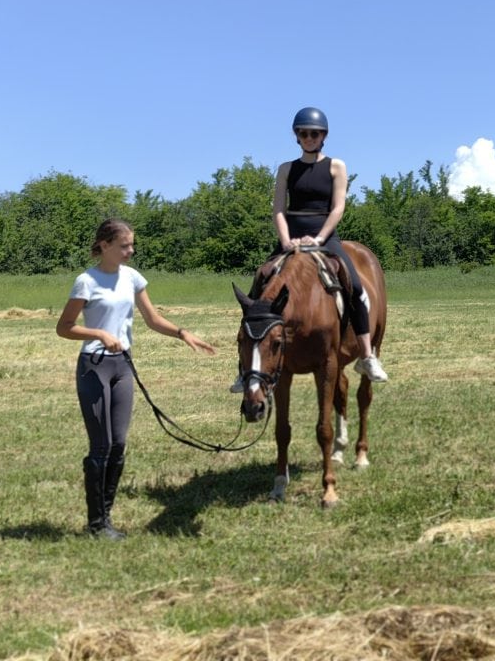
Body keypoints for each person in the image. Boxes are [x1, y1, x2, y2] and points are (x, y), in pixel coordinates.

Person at [56, 218, 215, 539]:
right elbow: (64, 327)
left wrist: (183, 334)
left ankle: (106, 520)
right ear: (105, 245)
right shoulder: (86, 281)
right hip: (94, 366)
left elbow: (153, 319)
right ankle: (96, 524)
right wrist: (99, 333)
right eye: (124, 245)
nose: (131, 250)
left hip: (122, 367)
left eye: (132, 244)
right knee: (100, 446)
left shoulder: (132, 278)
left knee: (119, 445)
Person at [230, 106, 388, 392]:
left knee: (354, 283)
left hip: (325, 237)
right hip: (291, 236)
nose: (309, 138)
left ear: (323, 136)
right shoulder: (286, 169)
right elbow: (278, 209)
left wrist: (319, 238)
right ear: (297, 137)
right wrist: (287, 239)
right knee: (260, 283)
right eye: (303, 133)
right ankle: (245, 370)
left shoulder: (336, 167)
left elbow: (338, 207)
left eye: (314, 133)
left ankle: (366, 354)